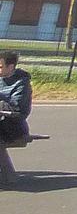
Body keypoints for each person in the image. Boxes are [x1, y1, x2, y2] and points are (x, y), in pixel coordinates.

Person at [0, 50, 31, 189]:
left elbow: (16, 110)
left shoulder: (21, 84)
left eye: (0, 66)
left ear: (11, 67)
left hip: (13, 126)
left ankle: (8, 176)